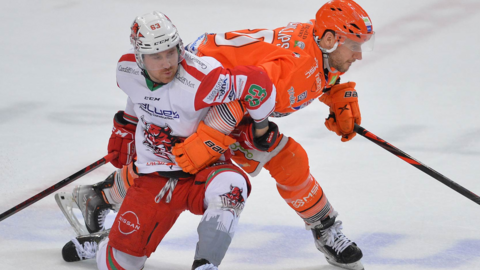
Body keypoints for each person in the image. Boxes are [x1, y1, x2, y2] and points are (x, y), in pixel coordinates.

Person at [58, 1, 373, 269]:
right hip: (201, 89)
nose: (358, 55)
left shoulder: (317, 46)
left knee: (176, 160)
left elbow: (301, 76)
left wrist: (336, 93)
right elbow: (251, 90)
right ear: (330, 38)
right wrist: (206, 140)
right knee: (186, 163)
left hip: (221, 88)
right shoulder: (295, 64)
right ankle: (325, 228)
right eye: (354, 46)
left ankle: (98, 198)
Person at [58, 10, 278, 270]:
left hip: (204, 171)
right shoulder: (126, 69)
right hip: (156, 176)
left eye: (171, 52)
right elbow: (137, 96)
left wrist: (261, 128)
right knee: (119, 265)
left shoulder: (202, 78)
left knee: (232, 188)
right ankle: (104, 242)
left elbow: (259, 83)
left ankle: (206, 264)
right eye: (156, 56)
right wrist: (126, 128)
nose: (167, 63)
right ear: (140, 58)